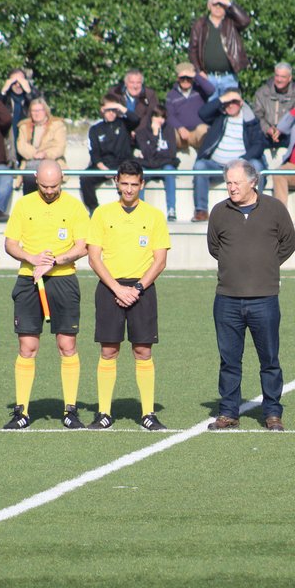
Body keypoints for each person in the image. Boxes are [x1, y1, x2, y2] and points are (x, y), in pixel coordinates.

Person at [207, 159, 295, 431]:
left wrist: (267, 264)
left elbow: (289, 242)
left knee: (269, 360)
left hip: (264, 299)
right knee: (229, 361)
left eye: (237, 182)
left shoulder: (274, 209)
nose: (232, 188)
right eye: (229, 183)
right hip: (227, 299)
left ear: (253, 182)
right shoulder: (219, 212)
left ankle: (272, 413)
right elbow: (214, 247)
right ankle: (228, 412)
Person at [3, 160, 90, 430]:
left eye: (54, 186)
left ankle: (70, 410)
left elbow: (83, 246)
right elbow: (10, 244)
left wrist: (54, 261)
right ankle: (21, 411)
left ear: (62, 179)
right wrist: (32, 258)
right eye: (44, 186)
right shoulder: (23, 205)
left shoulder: (75, 207)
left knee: (67, 345)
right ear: (35, 179)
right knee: (27, 347)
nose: (50, 191)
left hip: (64, 281)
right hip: (28, 280)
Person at [86, 160, 171, 431]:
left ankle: (148, 414)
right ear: (116, 182)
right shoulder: (102, 214)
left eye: (134, 184)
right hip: (110, 288)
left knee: (143, 351)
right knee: (108, 350)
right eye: (124, 183)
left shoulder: (154, 216)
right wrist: (117, 288)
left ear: (142, 184)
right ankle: (103, 413)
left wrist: (136, 289)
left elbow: (160, 261)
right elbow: (94, 258)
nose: (129, 189)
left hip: (141, 290)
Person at [191, 88, 267, 222]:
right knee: (200, 166)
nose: (230, 105)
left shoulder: (250, 121)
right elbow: (202, 113)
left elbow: (259, 144)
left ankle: (256, 208)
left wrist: (242, 160)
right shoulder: (219, 117)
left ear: (241, 103)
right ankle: (201, 211)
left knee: (257, 166)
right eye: (227, 102)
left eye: (234, 101)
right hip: (217, 165)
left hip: (241, 166)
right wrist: (222, 99)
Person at [80, 93, 139, 214]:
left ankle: (128, 209)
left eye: (114, 110)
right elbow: (94, 152)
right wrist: (102, 168)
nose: (111, 113)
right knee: (85, 178)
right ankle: (94, 209)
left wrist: (119, 107)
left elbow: (136, 119)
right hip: (105, 164)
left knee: (129, 177)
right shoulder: (95, 129)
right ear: (102, 110)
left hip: (124, 164)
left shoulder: (124, 124)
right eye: (108, 110)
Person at [188, 0, 251, 97]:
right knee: (210, 107)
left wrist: (229, 3)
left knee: (231, 107)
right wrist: (199, 71)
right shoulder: (200, 25)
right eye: (215, 4)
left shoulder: (231, 22)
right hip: (208, 78)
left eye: (221, 4)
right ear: (209, 6)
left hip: (229, 78)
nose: (218, 7)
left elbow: (245, 21)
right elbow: (192, 50)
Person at [134, 104, 180, 220]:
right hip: (147, 166)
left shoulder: (169, 131)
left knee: (170, 170)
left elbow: (172, 154)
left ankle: (171, 209)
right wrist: (155, 135)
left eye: (163, 117)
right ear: (151, 117)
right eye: (157, 116)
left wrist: (154, 155)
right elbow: (147, 154)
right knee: (139, 174)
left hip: (163, 165)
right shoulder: (142, 133)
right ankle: (139, 209)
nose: (160, 120)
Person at [17, 97, 67, 196]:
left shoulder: (57, 125)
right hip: (30, 162)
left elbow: (60, 147)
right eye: (34, 111)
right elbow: (21, 146)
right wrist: (35, 154)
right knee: (30, 176)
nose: (37, 113)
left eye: (40, 110)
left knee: (51, 180)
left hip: (53, 161)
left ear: (46, 111)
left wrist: (45, 154)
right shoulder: (24, 126)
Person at [252, 62, 295, 151]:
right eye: (277, 76)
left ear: (290, 78)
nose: (279, 80)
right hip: (265, 134)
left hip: (289, 136)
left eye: (283, 77)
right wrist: (268, 129)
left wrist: (281, 129)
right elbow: (257, 115)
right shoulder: (262, 92)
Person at [165, 62, 213, 151]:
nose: (185, 80)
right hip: (181, 134)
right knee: (170, 133)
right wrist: (180, 128)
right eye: (182, 78)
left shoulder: (199, 90)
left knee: (204, 130)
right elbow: (169, 115)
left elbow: (211, 90)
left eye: (188, 78)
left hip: (197, 133)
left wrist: (196, 75)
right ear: (177, 78)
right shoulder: (171, 95)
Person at [0, 68, 36, 161]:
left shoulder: (32, 96)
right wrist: (3, 91)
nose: (18, 85)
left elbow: (40, 108)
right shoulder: (4, 98)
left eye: (21, 82)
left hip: (28, 141)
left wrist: (29, 92)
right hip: (8, 140)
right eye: (14, 82)